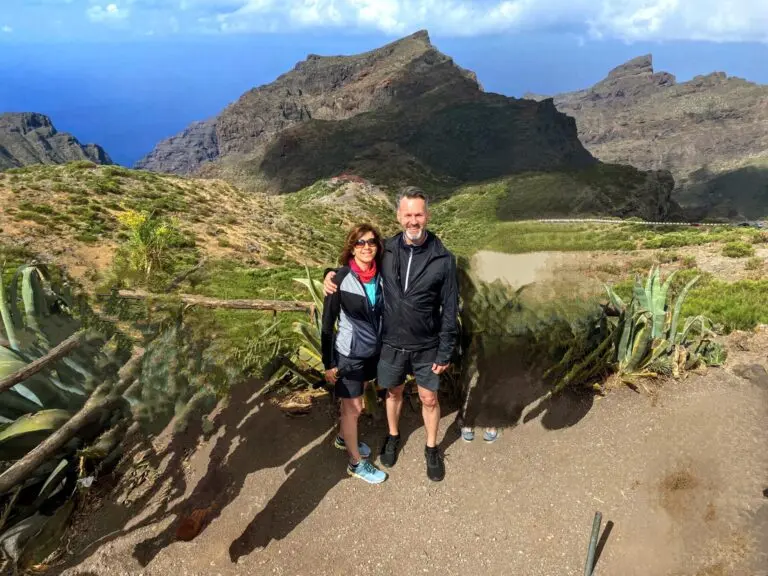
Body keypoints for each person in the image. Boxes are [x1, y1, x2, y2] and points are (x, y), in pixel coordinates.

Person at [323, 187, 459, 482]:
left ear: (427, 215)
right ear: (398, 216)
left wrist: (445, 350)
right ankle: (394, 436)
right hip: (392, 343)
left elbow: (449, 308)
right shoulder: (386, 249)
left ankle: (432, 447)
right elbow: (356, 264)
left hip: (427, 344)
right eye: (408, 214)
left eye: (418, 214)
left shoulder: (444, 259)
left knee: (429, 398)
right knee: (393, 392)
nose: (413, 220)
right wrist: (328, 274)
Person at [321, 223, 388, 484]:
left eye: (371, 241)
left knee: (353, 408)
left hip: (371, 353)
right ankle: (355, 464)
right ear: (351, 247)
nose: (366, 247)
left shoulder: (382, 274)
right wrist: (329, 362)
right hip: (349, 354)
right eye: (360, 242)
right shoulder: (340, 279)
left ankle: (342, 438)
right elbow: (327, 325)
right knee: (354, 408)